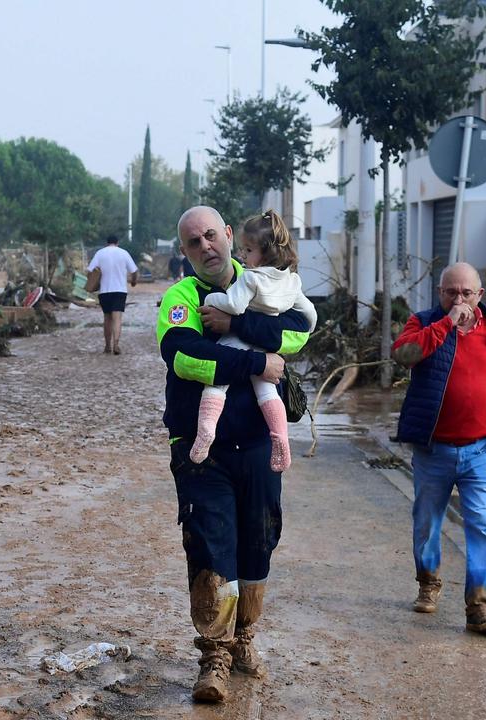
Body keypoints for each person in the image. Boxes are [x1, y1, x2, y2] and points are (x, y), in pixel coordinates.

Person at [157, 206, 312, 703]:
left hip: (259, 445)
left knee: (259, 542)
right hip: (200, 451)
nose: (205, 247)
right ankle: (214, 656)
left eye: (211, 236)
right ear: (184, 252)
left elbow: (298, 334)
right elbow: (185, 358)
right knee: (209, 545)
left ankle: (245, 640)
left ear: (228, 235)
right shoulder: (180, 298)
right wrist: (257, 360)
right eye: (193, 243)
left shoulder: (267, 281)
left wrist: (235, 322)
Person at [392, 262, 486, 635]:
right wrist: (446, 324)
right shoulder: (424, 323)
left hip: (481, 452)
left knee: (481, 525)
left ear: (480, 296)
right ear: (440, 293)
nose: (458, 299)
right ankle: (429, 583)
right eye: (450, 292)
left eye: (465, 293)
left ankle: (479, 606)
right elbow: (405, 354)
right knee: (427, 523)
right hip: (434, 450)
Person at [189, 210, 316, 473]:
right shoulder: (292, 280)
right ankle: (281, 437)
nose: (242, 256)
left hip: (236, 341)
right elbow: (308, 316)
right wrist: (309, 325)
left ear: (265, 252)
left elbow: (234, 304)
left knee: (215, 383)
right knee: (268, 391)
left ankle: (206, 431)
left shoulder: (250, 277)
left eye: (247, 250)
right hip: (265, 349)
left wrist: (212, 302)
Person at [87, 235, 138, 354]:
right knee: (117, 318)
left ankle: (107, 346)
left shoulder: (100, 253)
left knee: (107, 318)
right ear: (117, 242)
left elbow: (90, 270)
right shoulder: (124, 253)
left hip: (104, 291)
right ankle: (116, 343)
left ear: (107, 242)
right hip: (120, 290)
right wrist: (134, 281)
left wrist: (93, 282)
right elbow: (134, 271)